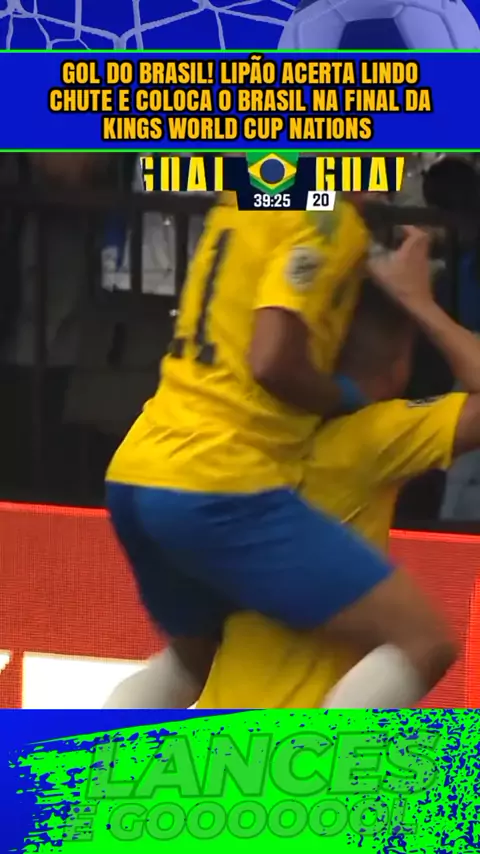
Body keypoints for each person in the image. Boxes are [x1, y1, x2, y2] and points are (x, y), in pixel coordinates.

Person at [104, 186, 447, 711]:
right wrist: (345, 396)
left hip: (138, 469)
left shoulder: (245, 197)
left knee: (191, 659)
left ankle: (89, 763)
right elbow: (270, 360)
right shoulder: (326, 215)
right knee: (425, 639)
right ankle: (321, 765)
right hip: (219, 477)